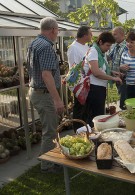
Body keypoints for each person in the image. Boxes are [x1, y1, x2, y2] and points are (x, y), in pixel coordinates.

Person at [27, 17, 64, 173]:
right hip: (44, 94)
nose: (57, 33)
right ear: (53, 30)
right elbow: (46, 75)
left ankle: (51, 159)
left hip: (36, 91)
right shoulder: (47, 46)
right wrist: (57, 100)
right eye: (57, 30)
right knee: (50, 131)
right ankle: (47, 165)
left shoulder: (34, 43)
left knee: (49, 129)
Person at [84, 32, 122, 127]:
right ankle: (92, 137)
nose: (108, 48)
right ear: (100, 42)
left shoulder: (101, 52)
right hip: (93, 89)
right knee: (95, 117)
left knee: (99, 114)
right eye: (107, 45)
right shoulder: (93, 51)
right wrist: (113, 78)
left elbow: (103, 69)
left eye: (110, 46)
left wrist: (112, 72)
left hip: (99, 88)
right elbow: (96, 72)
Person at [67, 26, 92, 131]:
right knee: (79, 108)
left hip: (87, 82)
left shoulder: (85, 46)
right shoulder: (73, 48)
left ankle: (85, 130)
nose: (92, 36)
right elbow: (74, 67)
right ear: (85, 35)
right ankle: (77, 131)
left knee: (86, 109)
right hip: (80, 83)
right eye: (90, 34)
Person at [108, 26, 127, 110]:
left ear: (122, 35)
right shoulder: (115, 46)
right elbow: (109, 57)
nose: (113, 36)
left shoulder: (126, 46)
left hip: (124, 77)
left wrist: (122, 74)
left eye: (115, 34)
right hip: (116, 76)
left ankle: (126, 116)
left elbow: (128, 63)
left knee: (124, 99)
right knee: (121, 94)